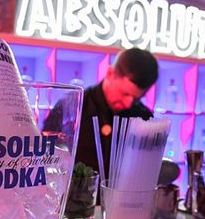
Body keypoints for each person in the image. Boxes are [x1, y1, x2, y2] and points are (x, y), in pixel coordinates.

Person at [45, 48, 158, 179]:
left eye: (137, 98)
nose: (128, 103)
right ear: (110, 73)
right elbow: (46, 155)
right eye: (125, 94)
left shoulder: (144, 119)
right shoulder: (72, 107)